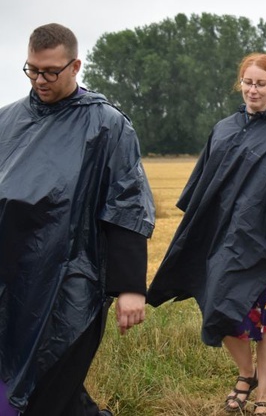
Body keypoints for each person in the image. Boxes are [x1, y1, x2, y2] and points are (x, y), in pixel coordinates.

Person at [0, 23, 155, 416]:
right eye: (32, 69)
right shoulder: (7, 121)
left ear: (75, 66)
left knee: (52, 383)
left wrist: (130, 287)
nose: (39, 80)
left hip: (71, 281)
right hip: (11, 279)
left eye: (50, 71)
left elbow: (127, 205)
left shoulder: (106, 126)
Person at [147, 53, 266, 415]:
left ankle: (264, 396)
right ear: (240, 83)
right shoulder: (223, 127)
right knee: (217, 307)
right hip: (222, 238)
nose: (253, 90)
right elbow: (203, 185)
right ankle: (245, 372)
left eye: (261, 83)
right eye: (248, 82)